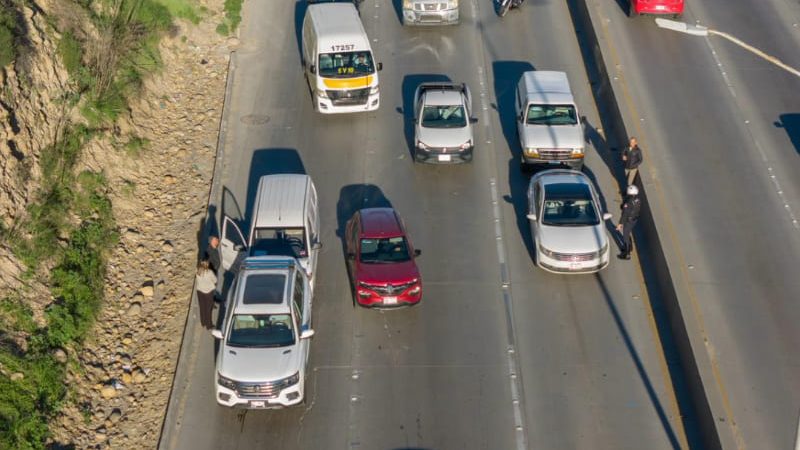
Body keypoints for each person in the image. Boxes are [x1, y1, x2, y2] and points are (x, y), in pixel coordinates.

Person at [616, 185, 642, 260]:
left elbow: (625, 214)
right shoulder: (637, 199)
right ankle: (630, 247)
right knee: (628, 232)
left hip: (629, 220)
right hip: (634, 219)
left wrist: (620, 224)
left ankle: (627, 254)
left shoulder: (628, 202)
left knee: (625, 235)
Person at [195, 259, 217, 330]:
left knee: (202, 307)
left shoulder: (197, 270)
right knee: (208, 309)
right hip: (208, 292)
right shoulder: (209, 272)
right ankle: (209, 325)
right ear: (207, 264)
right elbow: (215, 280)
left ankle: (203, 322)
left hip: (199, 291)